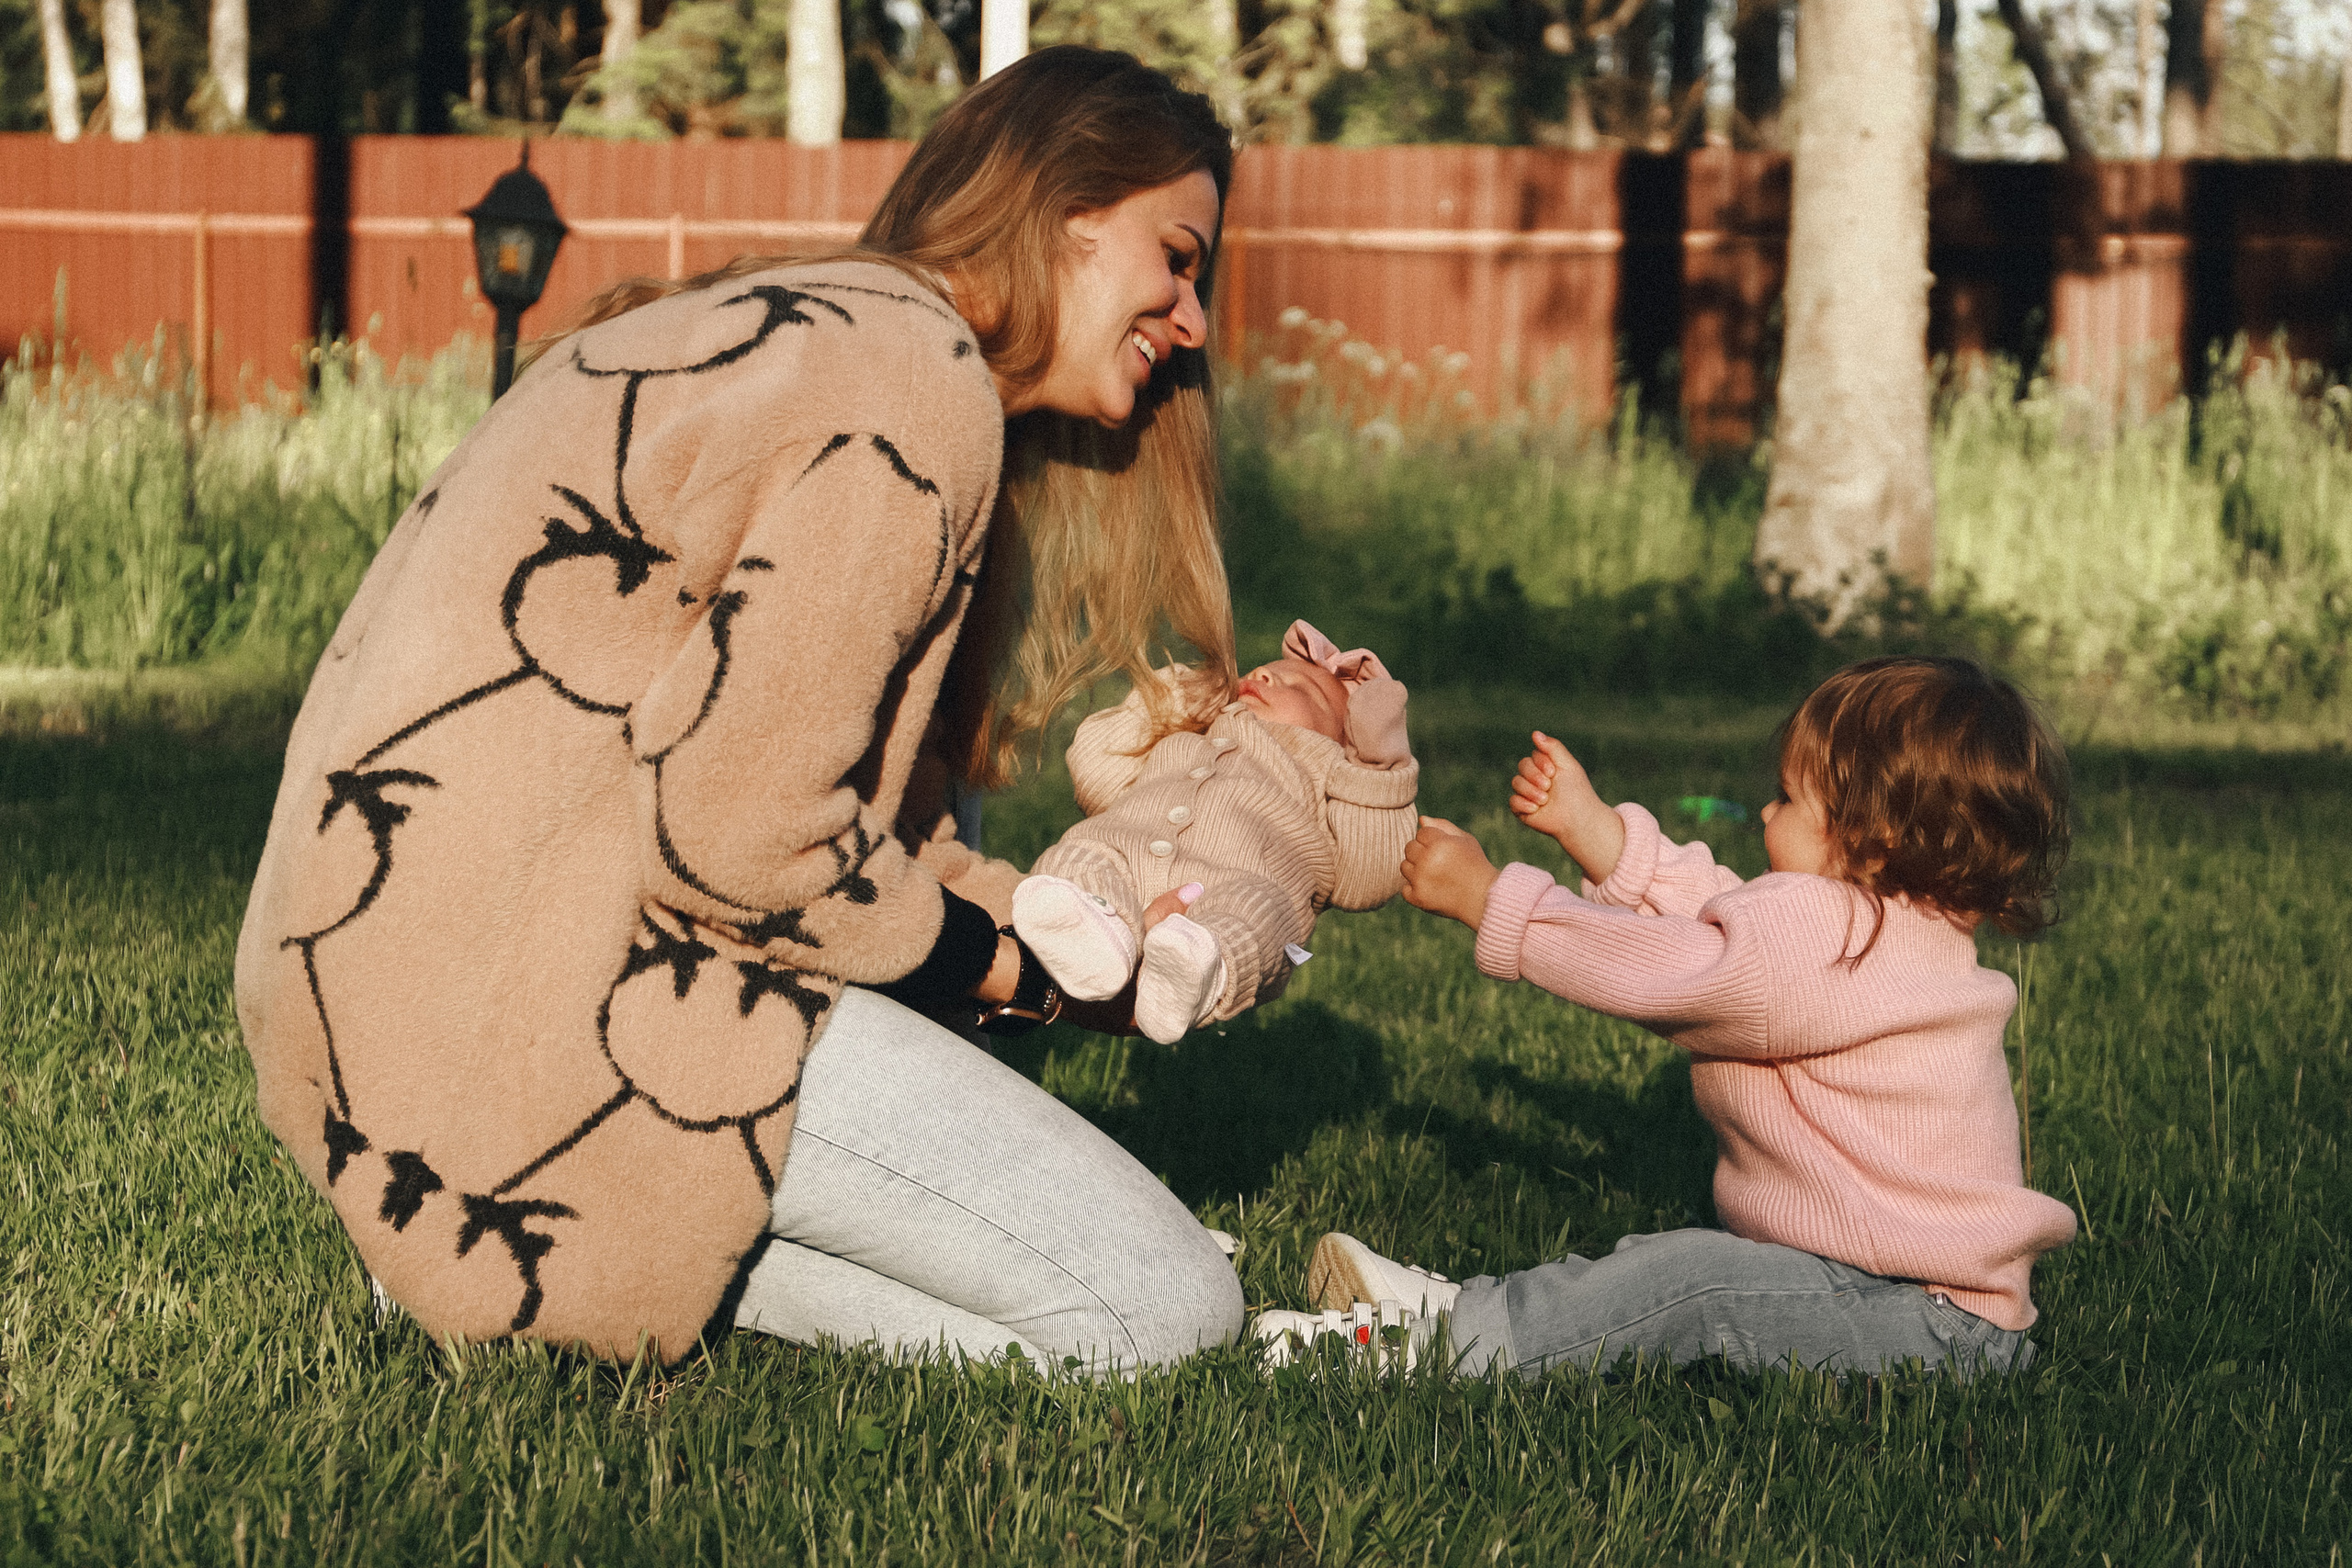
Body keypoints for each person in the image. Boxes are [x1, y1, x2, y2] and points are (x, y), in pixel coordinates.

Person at [235, 48, 1251, 1372]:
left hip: (397, 1000)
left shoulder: (825, 324)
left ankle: (513, 1249)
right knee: (1159, 1307)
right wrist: (1010, 972)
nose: (1194, 322)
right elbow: (745, 848)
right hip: (550, 1003)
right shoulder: (916, 384)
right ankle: (525, 1244)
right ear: (1068, 211)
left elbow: (828, 813)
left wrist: (1078, 954)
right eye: (1179, 259)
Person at [1254, 656, 2077, 1381]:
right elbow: (1722, 926)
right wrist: (1605, 839)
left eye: (1788, 798)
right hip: (1901, 1299)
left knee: (1693, 1280)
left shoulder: (1843, 935)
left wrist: (1492, 899)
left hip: (1924, 1321)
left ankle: (1433, 1344)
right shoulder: (1888, 929)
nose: (1763, 814)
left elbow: (1678, 967)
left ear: (1874, 833)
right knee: (1669, 1267)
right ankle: (1463, 1310)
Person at [1012, 619, 1418, 1044]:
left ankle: (1198, 968)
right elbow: (1098, 770)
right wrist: (1177, 697)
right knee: (1083, 850)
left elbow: (1368, 876)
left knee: (1260, 909)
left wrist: (1376, 767)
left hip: (1235, 886)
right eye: (1263, 669)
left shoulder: (1330, 776)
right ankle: (1090, 934)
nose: (1264, 675)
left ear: (1346, 740)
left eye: (1305, 689)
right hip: (1126, 860)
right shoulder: (1190, 736)